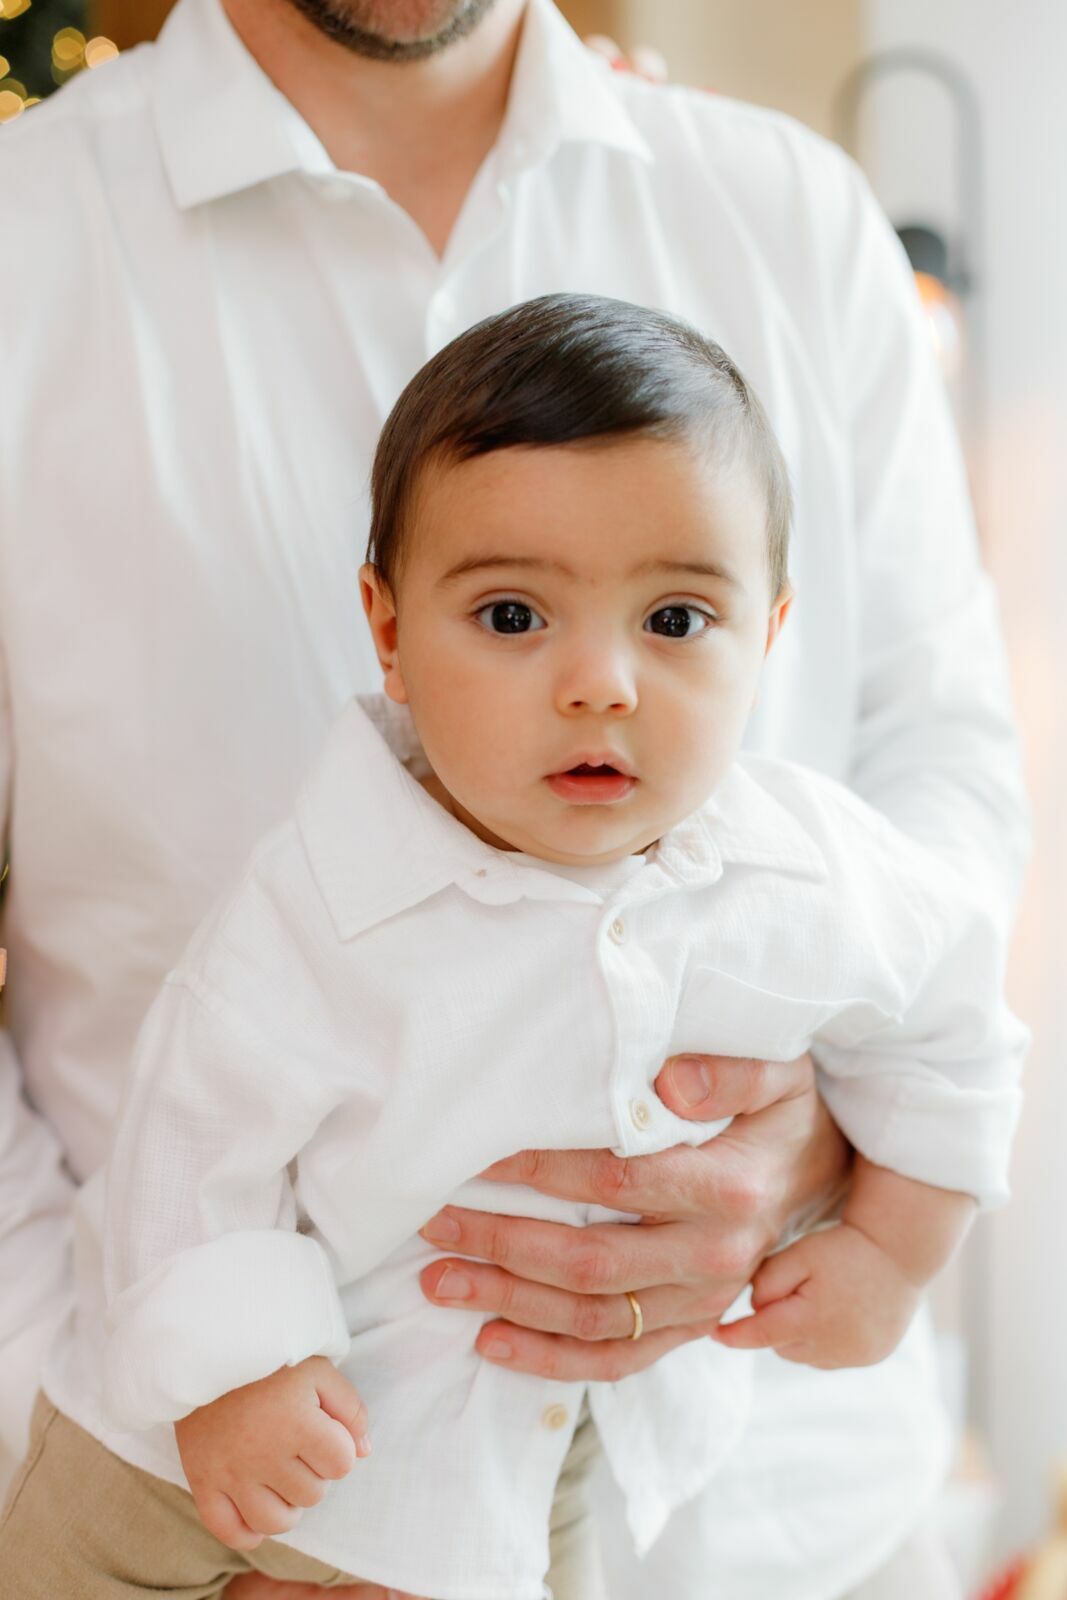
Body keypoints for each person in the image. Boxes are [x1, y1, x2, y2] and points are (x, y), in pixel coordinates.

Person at [0, 2, 1028, 1597]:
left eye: (676, 622)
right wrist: (176, 1457)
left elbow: (948, 778)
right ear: (389, 630)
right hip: (246, 1513)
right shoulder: (27, 249)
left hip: (794, 1512)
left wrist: (846, 1171)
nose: (601, 685)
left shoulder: (793, 214)